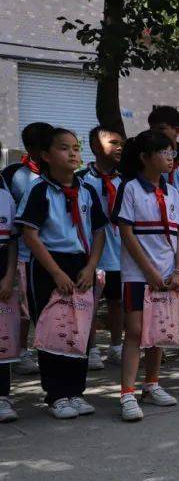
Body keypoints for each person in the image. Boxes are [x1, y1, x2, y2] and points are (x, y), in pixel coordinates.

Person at [16, 127, 107, 419]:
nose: (72, 154)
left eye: (76, 148)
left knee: (79, 327)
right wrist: (55, 272)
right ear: (46, 155)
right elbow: (30, 234)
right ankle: (56, 394)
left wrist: (91, 267)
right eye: (64, 148)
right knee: (53, 328)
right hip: (48, 265)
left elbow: (99, 232)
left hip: (81, 263)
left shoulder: (87, 190)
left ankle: (76, 391)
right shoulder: (39, 189)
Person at [113, 129, 179, 421]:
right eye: (164, 152)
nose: (171, 157)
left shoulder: (173, 192)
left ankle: (152, 384)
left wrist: (178, 269)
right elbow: (126, 233)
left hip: (169, 275)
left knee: (159, 332)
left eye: (172, 152)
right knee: (135, 331)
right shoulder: (130, 188)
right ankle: (127, 393)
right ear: (145, 157)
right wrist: (149, 271)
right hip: (137, 274)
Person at [2, 121, 49, 376]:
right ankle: (20, 350)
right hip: (22, 251)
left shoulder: (59, 175)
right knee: (22, 307)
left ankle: (46, 348)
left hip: (50, 252)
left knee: (44, 304)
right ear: (31, 148)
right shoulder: (14, 175)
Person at [78, 126, 125, 368]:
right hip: (93, 255)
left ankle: (117, 346)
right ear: (95, 147)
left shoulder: (125, 180)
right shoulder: (81, 180)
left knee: (118, 302)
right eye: (113, 142)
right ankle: (91, 347)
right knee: (91, 303)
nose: (119, 147)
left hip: (119, 252)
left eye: (121, 143)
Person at [0, 179, 17, 423]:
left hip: (2, 270)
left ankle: (2, 396)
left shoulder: (5, 196)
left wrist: (9, 276)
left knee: (1, 337)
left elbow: (13, 241)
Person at [148, 105, 179, 195]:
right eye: (152, 129)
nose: (155, 133)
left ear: (177, 130)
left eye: (161, 128)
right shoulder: (148, 160)